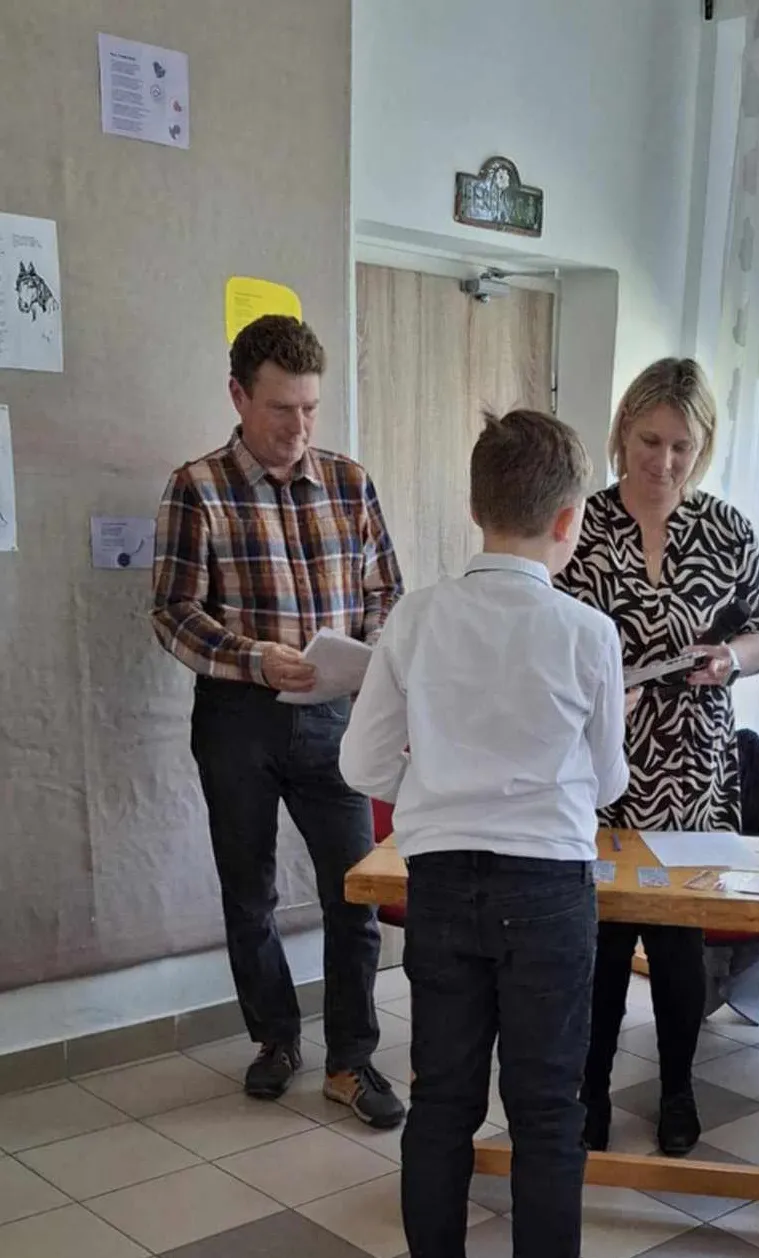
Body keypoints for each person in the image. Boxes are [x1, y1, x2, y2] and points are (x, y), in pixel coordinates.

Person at [341, 410, 629, 1258]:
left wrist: (436, 788)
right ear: (569, 519)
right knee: (547, 1112)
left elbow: (361, 763)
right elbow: (608, 782)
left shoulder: (415, 618)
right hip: (549, 889)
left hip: (440, 881)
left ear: (474, 508)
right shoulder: (589, 633)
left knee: (442, 1100)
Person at [151, 314, 405, 1128]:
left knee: (355, 892)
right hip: (239, 718)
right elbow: (172, 613)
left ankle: (350, 1061)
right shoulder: (197, 487)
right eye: (281, 409)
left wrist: (369, 656)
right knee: (250, 893)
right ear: (238, 395)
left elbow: (386, 596)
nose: (299, 428)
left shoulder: (350, 483)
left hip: (334, 718)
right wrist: (254, 658)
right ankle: (276, 1039)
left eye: (311, 409)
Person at [557, 358, 759, 1157]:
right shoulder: (578, 523)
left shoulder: (726, 528)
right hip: (602, 763)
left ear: (704, 446)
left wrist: (731, 660)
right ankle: (590, 1092)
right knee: (602, 944)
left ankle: (678, 1089)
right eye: (650, 441)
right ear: (622, 432)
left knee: (679, 946)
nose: (664, 461)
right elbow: (544, 634)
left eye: (683, 446)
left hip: (694, 768)